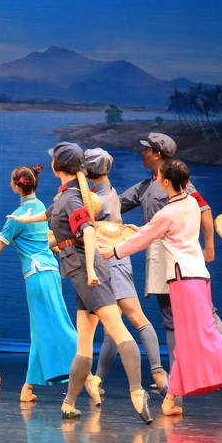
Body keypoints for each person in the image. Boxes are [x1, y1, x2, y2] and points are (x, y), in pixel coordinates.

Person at [9, 142, 152, 424]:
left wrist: (90, 270)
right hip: (78, 272)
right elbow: (49, 214)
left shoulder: (74, 197)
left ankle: (138, 393)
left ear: (57, 166)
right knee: (83, 344)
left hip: (87, 272)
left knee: (119, 331)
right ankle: (69, 403)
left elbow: (87, 231)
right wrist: (22, 218)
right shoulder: (67, 194)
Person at [105, 159, 222, 421]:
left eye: (159, 175)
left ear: (165, 182)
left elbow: (144, 238)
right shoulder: (191, 202)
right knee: (184, 339)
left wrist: (112, 251)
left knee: (208, 334)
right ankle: (170, 399)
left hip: (184, 280)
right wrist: (143, 229)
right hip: (198, 275)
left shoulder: (168, 212)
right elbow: (158, 230)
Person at [0, 165, 76, 403]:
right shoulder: (40, 207)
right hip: (49, 270)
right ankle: (28, 388)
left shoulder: (17, 215)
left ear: (15, 185)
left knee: (59, 327)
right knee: (40, 332)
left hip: (37, 275)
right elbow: (15, 233)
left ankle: (88, 375)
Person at [81, 148, 167, 398]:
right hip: (115, 260)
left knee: (136, 317)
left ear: (89, 170)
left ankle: (159, 374)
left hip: (111, 262)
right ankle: (97, 379)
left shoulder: (98, 200)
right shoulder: (108, 192)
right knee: (112, 325)